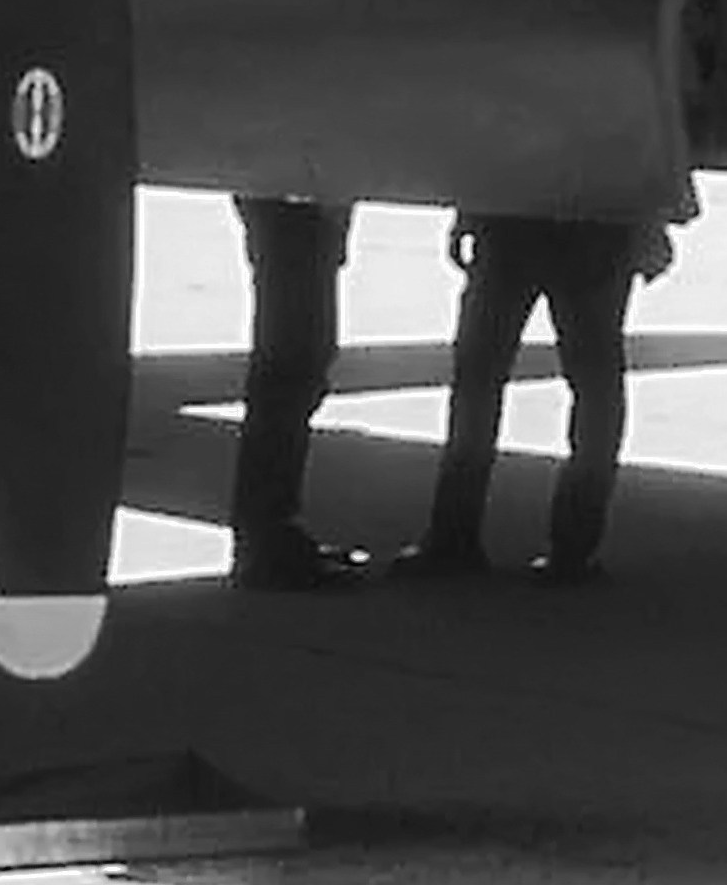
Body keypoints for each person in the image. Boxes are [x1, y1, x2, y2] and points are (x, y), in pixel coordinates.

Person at [395, 199, 680, 587]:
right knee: (594, 383)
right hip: (596, 225)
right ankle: (575, 546)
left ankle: (454, 533)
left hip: (513, 221)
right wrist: (649, 218)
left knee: (479, 381)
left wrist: (470, 208)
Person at [229, 194, 368, 589]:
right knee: (293, 366)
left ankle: (267, 530)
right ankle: (267, 534)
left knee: (294, 366)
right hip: (297, 209)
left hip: (296, 208)